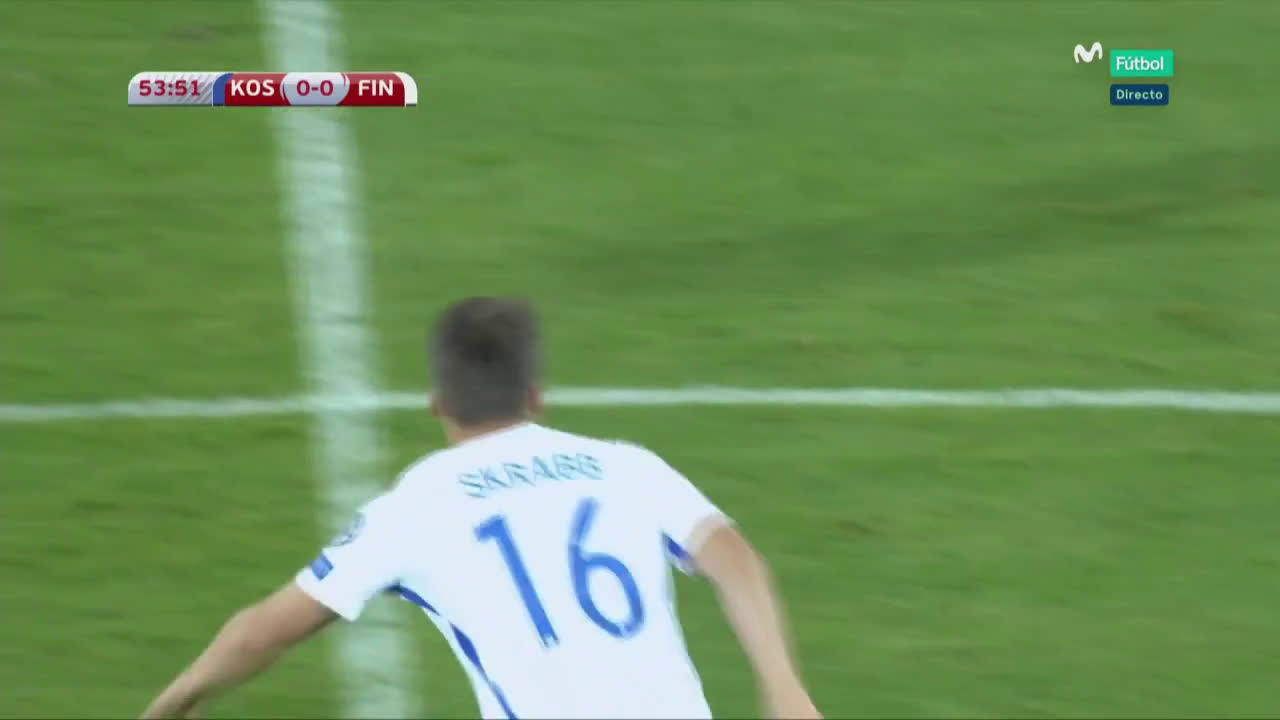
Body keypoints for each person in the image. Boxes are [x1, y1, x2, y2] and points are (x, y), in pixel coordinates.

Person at [142, 297, 820, 720]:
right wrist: (784, 689)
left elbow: (263, 632)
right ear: (536, 394)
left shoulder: (415, 506)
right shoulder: (628, 467)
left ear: (437, 404)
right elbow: (734, 558)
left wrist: (176, 701)